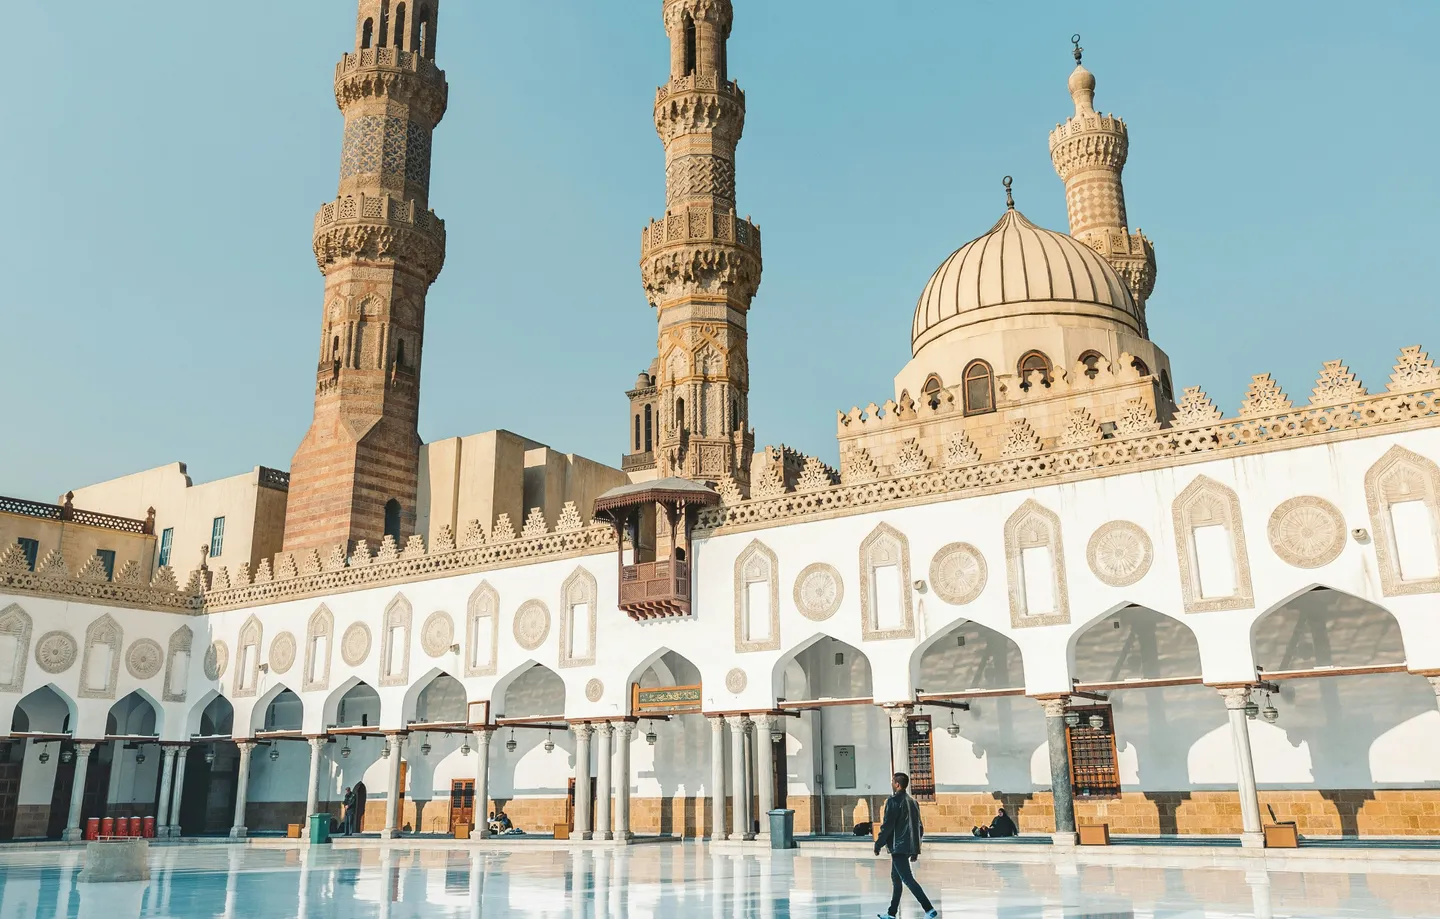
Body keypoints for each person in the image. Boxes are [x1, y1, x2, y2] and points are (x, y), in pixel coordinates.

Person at [874, 772, 938, 919]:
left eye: (892, 781)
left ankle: (929, 909)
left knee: (907, 879)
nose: (891, 783)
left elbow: (887, 826)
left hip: (898, 846)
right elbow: (918, 827)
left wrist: (878, 844)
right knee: (896, 879)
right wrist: (915, 849)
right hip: (907, 846)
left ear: (897, 784)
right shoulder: (913, 802)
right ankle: (891, 913)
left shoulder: (893, 801)